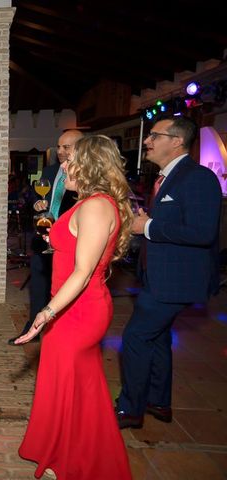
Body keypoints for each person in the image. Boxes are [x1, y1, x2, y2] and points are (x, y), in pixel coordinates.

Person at [15, 135, 133, 479]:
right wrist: (56, 240)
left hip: (78, 311)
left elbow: (83, 273)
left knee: (68, 387)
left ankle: (73, 460)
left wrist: (46, 312)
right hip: (71, 306)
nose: (63, 165)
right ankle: (63, 450)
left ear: (89, 165)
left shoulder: (96, 206)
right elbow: (77, 252)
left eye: (70, 160)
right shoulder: (86, 203)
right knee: (74, 386)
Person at [116, 116, 222, 429]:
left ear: (176, 141)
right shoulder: (166, 178)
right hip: (157, 276)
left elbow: (202, 232)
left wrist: (147, 225)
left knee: (135, 337)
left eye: (153, 135)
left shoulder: (198, 178)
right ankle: (158, 402)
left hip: (175, 281)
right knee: (158, 339)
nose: (146, 141)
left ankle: (130, 409)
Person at [8, 130, 83, 346]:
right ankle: (32, 327)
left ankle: (58, 333)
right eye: (58, 146)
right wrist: (36, 204)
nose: (60, 151)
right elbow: (35, 194)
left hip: (69, 243)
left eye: (66, 147)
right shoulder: (50, 171)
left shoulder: (83, 178)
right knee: (39, 286)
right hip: (43, 239)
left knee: (62, 288)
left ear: (80, 148)